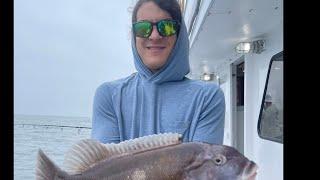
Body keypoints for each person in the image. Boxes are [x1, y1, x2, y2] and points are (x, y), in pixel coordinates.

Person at [91, 0, 225, 145]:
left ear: (179, 35)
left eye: (166, 27)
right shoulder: (109, 95)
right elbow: (103, 164)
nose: (154, 36)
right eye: (143, 28)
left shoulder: (208, 97)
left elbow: (204, 165)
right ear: (134, 36)